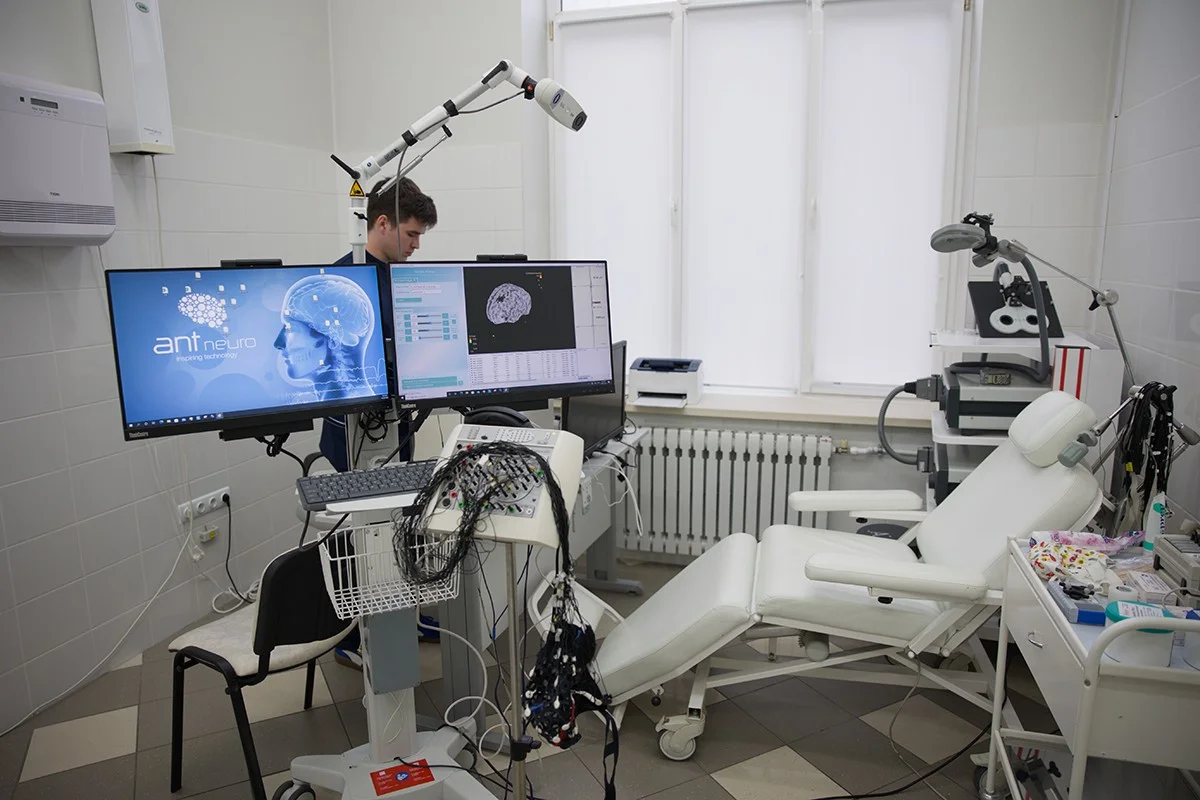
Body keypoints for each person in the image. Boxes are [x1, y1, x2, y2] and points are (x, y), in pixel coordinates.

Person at [323, 177, 440, 670]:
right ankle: (353, 633)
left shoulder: (400, 279)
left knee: (400, 520)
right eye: (411, 235)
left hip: (396, 425)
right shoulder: (342, 281)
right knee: (363, 532)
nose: (416, 246)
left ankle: (404, 612)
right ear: (383, 223)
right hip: (352, 433)